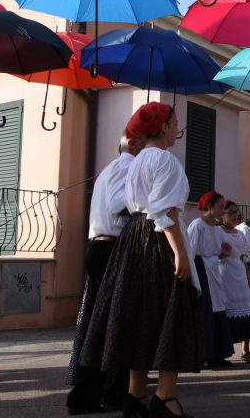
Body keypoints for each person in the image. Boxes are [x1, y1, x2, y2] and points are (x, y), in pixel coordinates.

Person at [79, 102, 201, 418]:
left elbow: (131, 206)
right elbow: (165, 212)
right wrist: (180, 253)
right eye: (175, 122)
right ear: (162, 127)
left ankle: (135, 395)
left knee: (139, 314)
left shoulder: (134, 162)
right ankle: (166, 396)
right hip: (157, 238)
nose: (178, 128)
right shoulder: (165, 160)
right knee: (169, 312)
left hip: (133, 238)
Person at [66, 133, 144, 415]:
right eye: (144, 143)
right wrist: (144, 206)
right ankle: (91, 395)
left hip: (102, 248)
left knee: (109, 323)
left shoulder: (112, 168)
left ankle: (108, 391)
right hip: (108, 249)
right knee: (109, 324)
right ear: (133, 145)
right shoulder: (126, 167)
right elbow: (116, 206)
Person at [188, 191, 235, 368]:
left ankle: (217, 353)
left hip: (213, 270)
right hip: (201, 270)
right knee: (205, 312)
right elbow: (191, 251)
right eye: (220, 207)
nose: (223, 211)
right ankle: (203, 354)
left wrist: (224, 252)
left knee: (218, 311)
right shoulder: (197, 225)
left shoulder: (216, 228)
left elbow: (217, 253)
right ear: (210, 207)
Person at [219, 201, 250, 361]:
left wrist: (249, 278)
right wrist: (221, 254)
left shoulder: (242, 234)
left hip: (239, 274)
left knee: (246, 310)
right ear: (222, 214)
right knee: (225, 311)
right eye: (231, 212)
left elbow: (245, 258)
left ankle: (246, 349)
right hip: (223, 274)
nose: (234, 214)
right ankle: (223, 349)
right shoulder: (217, 232)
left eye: (236, 212)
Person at [234, 214, 250, 363]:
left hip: (242, 267)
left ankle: (245, 349)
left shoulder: (243, 229)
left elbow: (244, 254)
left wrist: (248, 277)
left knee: (247, 306)